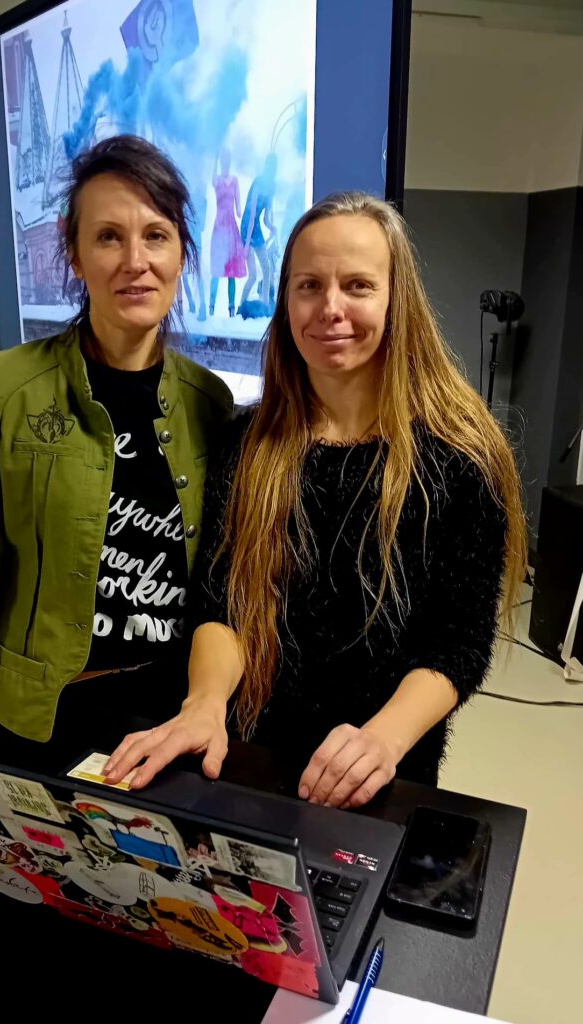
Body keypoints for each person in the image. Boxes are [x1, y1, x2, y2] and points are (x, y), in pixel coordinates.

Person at [104, 191, 526, 807]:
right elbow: (223, 604)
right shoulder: (248, 446)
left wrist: (382, 740)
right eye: (309, 286)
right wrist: (204, 704)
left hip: (376, 774)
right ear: (285, 301)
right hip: (247, 759)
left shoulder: (461, 458)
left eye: (358, 285)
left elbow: (458, 644)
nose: (330, 308)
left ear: (397, 299)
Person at [0, 135, 232, 774]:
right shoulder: (1, 390)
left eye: (156, 236)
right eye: (108, 238)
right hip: (47, 713)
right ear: (73, 253)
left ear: (182, 253)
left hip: (171, 715)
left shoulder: (210, 402)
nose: (135, 261)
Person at [209, 149, 247, 318]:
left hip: (230, 227)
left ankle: (231, 308)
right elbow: (212, 179)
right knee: (217, 270)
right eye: (223, 160)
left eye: (227, 160)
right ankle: (211, 307)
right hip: (219, 227)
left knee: (231, 271)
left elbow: (239, 208)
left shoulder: (235, 180)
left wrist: (240, 211)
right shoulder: (217, 179)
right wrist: (215, 158)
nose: (226, 163)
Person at [240, 153, 277, 314]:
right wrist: (246, 245)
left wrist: (273, 228)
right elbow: (251, 213)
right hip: (247, 227)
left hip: (256, 227)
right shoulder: (258, 182)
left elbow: (266, 218)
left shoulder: (272, 187)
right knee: (253, 275)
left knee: (267, 268)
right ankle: (241, 306)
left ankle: (265, 304)